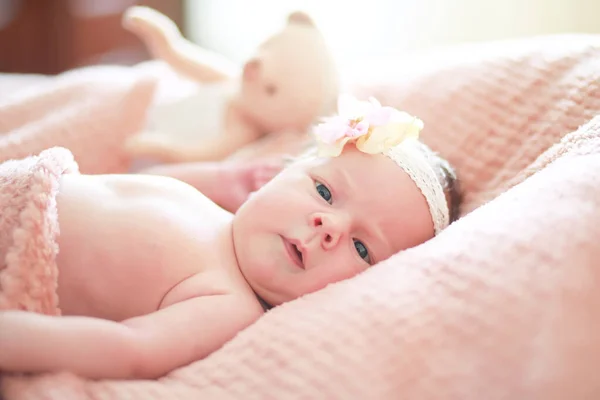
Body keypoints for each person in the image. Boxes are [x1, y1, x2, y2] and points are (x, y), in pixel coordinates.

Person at [0, 96, 461, 380]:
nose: (329, 227)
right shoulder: (212, 208)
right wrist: (223, 175)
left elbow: (130, 350)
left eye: (362, 248)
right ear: (281, 171)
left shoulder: (228, 303)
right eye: (323, 191)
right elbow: (136, 180)